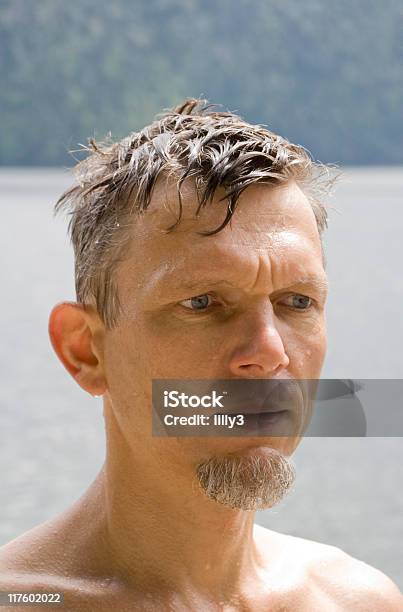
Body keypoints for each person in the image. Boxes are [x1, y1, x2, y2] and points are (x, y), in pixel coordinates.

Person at [0, 99, 401, 611]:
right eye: (202, 303)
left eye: (297, 302)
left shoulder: (356, 602)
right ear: (86, 349)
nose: (269, 353)